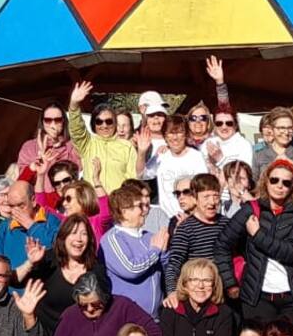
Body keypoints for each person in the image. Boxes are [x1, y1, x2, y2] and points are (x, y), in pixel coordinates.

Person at [215, 158, 293, 323]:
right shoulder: (251, 209)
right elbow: (222, 245)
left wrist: (258, 235)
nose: (279, 186)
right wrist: (230, 283)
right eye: (274, 180)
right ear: (266, 181)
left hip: (291, 297)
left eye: (286, 182)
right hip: (256, 297)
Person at [100, 184, 168, 316]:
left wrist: (164, 253)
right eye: (140, 206)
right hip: (127, 319)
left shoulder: (149, 236)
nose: (145, 210)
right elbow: (131, 269)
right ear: (124, 211)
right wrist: (156, 251)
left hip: (155, 317)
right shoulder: (112, 239)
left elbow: (164, 270)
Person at [164, 173, 234, 299]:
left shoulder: (227, 224)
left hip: (225, 293)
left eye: (215, 196)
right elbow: (174, 264)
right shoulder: (185, 228)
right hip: (198, 293)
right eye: (206, 197)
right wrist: (172, 292)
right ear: (195, 198)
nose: (212, 202)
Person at [67, 81, 136, 193]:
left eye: (109, 121)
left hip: (118, 205)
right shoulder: (88, 144)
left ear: (115, 123)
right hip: (94, 206)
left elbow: (132, 180)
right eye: (99, 121)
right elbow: (77, 130)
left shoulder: (127, 147)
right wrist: (74, 104)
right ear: (94, 124)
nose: (104, 125)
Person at [0, 180, 60, 270]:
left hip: (44, 281)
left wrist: (32, 226)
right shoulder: (5, 226)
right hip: (13, 281)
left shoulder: (51, 220)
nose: (16, 211)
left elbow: (58, 247)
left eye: (21, 205)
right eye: (11, 206)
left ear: (33, 200)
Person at [152, 114, 207, 219]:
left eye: (179, 132)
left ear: (186, 135)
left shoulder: (196, 157)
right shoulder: (161, 155)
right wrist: (142, 151)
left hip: (191, 218)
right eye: (171, 133)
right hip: (165, 218)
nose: (175, 137)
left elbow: (203, 188)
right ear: (164, 136)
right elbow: (143, 174)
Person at [17, 104, 79, 195]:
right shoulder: (29, 147)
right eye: (48, 120)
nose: (52, 124)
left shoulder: (71, 146)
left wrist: (58, 147)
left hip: (67, 198)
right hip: (40, 199)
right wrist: (35, 164)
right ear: (42, 122)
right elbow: (22, 181)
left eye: (57, 120)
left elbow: (76, 174)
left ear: (64, 122)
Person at [251, 108, 293, 180]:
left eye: (289, 128)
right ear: (272, 129)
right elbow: (254, 185)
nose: (286, 132)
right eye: (281, 128)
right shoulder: (259, 155)